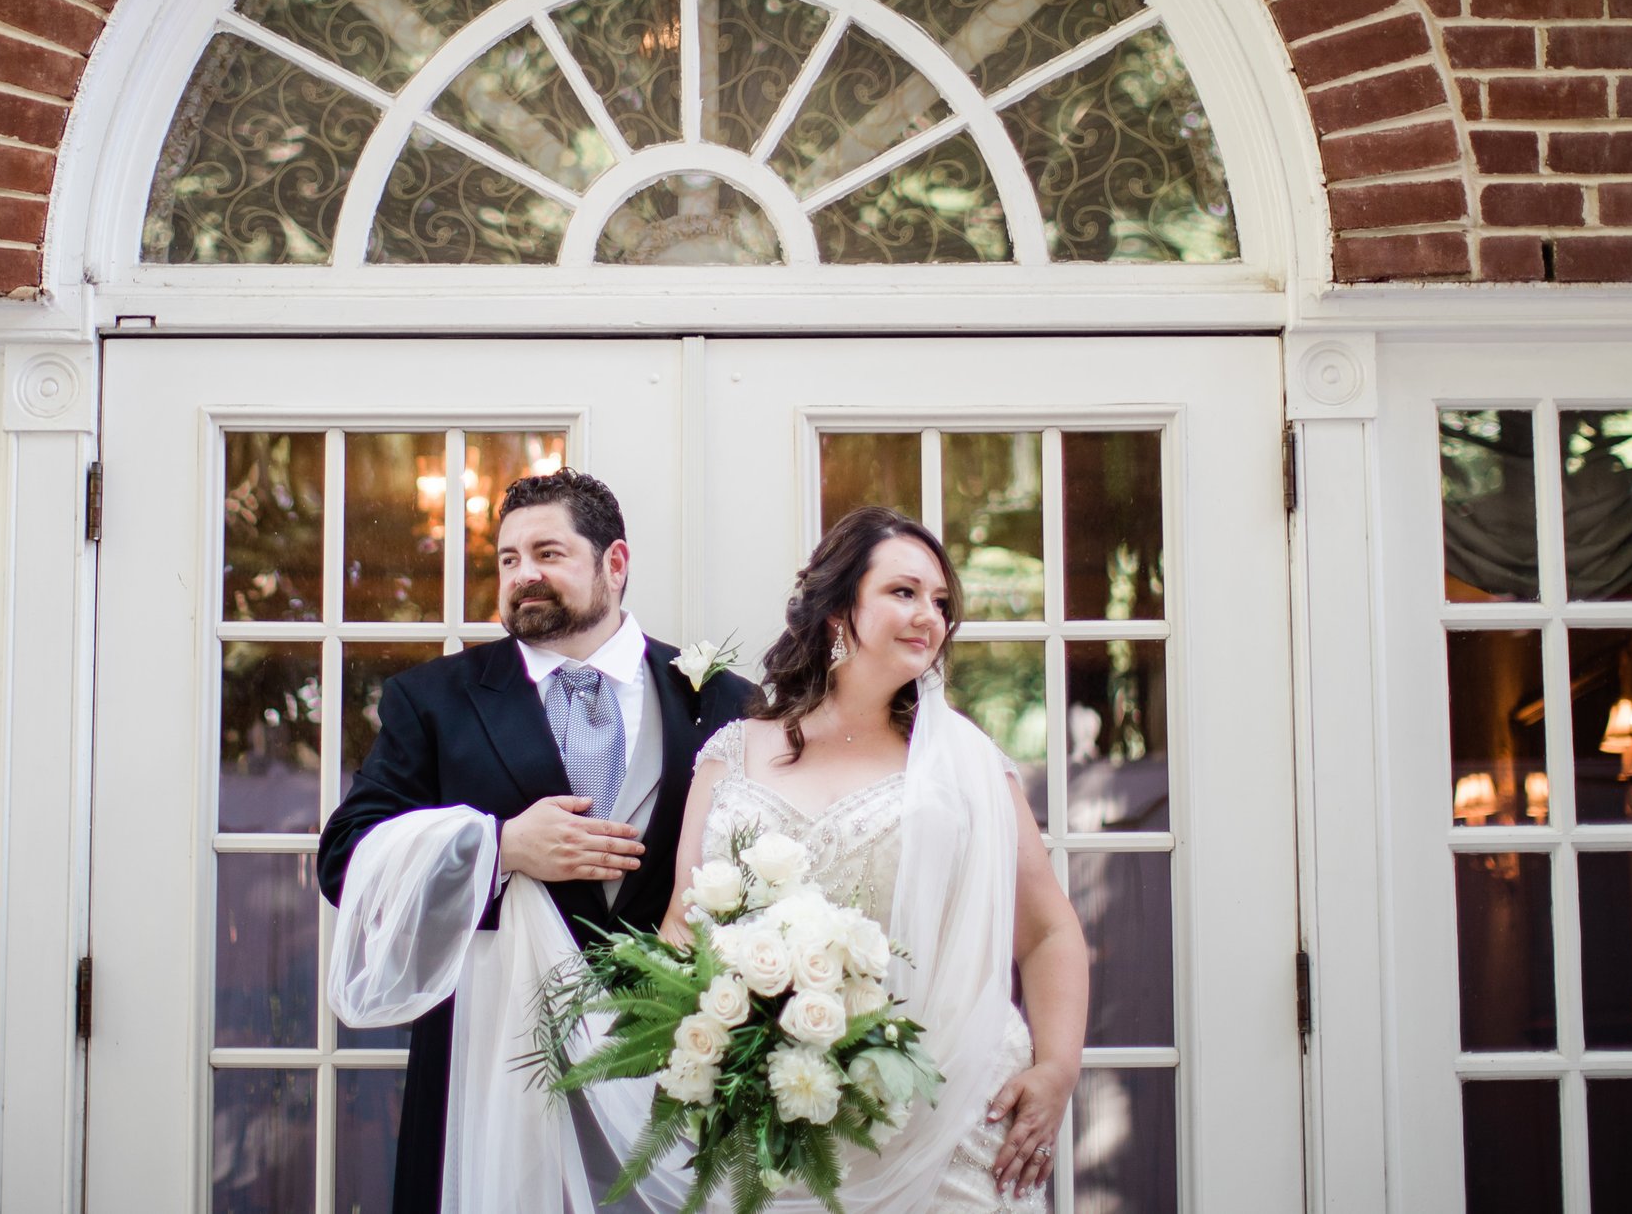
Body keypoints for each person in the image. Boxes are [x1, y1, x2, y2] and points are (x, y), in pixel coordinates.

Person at [318, 468, 758, 1214]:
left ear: (614, 563)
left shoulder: (721, 700)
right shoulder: (434, 700)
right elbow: (346, 857)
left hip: (673, 1066)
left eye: (548, 553)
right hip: (495, 1068)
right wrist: (498, 847)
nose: (524, 575)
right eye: (509, 559)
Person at [660, 506, 1087, 1211]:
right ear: (837, 611)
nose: (930, 615)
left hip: (949, 1109)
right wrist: (710, 1037)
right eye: (904, 592)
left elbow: (1047, 930)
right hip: (778, 1112)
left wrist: (1059, 1068)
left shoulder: (967, 767)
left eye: (941, 601)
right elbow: (684, 918)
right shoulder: (734, 754)